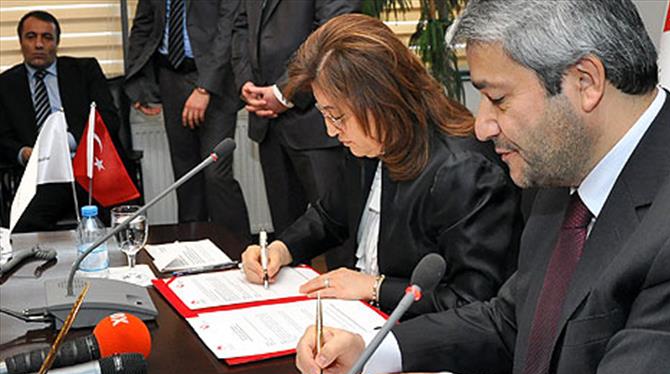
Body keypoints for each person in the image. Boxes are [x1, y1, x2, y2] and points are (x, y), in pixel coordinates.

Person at [295, 1, 670, 374]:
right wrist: (379, 350)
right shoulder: (568, 175)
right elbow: (512, 319)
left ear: (585, 82)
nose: (482, 126)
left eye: (498, 99)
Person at [240, 15, 522, 318]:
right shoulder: (366, 142)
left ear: (380, 100)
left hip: (414, 333)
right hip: (358, 315)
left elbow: (470, 302)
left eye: (337, 116)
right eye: (325, 114)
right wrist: (281, 249)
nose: (331, 131)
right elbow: (329, 217)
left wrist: (375, 287)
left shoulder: (465, 170)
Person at [231, 0, 361, 263]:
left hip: (317, 121)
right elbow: (241, 27)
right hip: (267, 120)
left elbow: (332, 36)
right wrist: (246, 80)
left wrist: (284, 92)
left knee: (337, 233)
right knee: (286, 237)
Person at [125, 0, 250, 238]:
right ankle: (192, 245)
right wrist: (138, 84)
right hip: (170, 76)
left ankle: (237, 247)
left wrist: (205, 88)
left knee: (216, 174)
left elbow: (228, 29)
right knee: (186, 176)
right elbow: (144, 25)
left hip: (216, 80)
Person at [0, 10, 126, 232]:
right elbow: (2, 138)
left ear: (57, 42)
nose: (39, 44)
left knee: (123, 219)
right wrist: (24, 153)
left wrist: (65, 143)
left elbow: (108, 119)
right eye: (31, 36)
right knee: (22, 227)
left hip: (90, 169)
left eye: (47, 37)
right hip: (42, 176)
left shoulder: (84, 71)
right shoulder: (6, 84)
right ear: (20, 41)